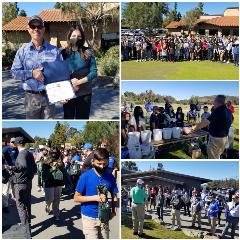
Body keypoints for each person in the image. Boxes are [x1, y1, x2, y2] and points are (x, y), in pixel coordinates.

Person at [11, 15, 62, 119]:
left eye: (39, 26)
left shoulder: (55, 51)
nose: (36, 29)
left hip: (49, 95)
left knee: (49, 125)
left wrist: (62, 94)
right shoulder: (22, 51)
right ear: (28, 29)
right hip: (31, 97)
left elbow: (61, 74)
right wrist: (32, 73)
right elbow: (14, 72)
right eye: (33, 26)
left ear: (43, 29)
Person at [74, 148, 118, 239]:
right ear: (92, 161)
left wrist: (114, 210)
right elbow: (76, 198)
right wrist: (94, 198)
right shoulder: (85, 177)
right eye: (99, 164)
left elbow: (114, 195)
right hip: (89, 217)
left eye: (105, 164)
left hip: (104, 216)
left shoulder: (110, 177)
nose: (102, 167)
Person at [61, 25, 97, 119]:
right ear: (69, 37)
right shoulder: (63, 53)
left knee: (82, 118)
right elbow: (59, 74)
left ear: (82, 38)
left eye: (79, 36)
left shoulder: (88, 52)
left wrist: (79, 82)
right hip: (68, 93)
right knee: (68, 119)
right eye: (73, 36)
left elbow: (94, 72)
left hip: (85, 94)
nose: (76, 38)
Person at [8, 137, 37, 236]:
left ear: (17, 144)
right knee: (27, 204)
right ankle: (28, 225)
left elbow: (22, 166)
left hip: (20, 183)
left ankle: (26, 231)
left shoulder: (22, 153)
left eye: (13, 143)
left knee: (20, 206)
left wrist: (9, 167)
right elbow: (34, 168)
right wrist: (30, 177)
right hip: (27, 182)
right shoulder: (28, 153)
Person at [41, 149, 70, 220]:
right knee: (50, 199)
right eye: (53, 153)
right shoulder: (45, 163)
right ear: (50, 153)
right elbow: (43, 174)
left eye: (56, 153)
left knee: (57, 199)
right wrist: (52, 169)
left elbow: (65, 172)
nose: (54, 154)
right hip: (49, 183)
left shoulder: (60, 162)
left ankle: (56, 213)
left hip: (58, 183)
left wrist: (69, 182)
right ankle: (47, 205)